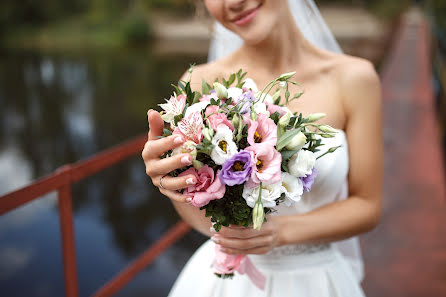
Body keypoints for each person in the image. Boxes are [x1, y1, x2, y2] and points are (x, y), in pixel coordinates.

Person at [142, 0, 382, 296]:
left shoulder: (354, 79)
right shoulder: (199, 83)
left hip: (316, 281)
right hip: (227, 281)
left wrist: (281, 233)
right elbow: (205, 220)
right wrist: (172, 183)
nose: (233, 3)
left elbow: (367, 205)